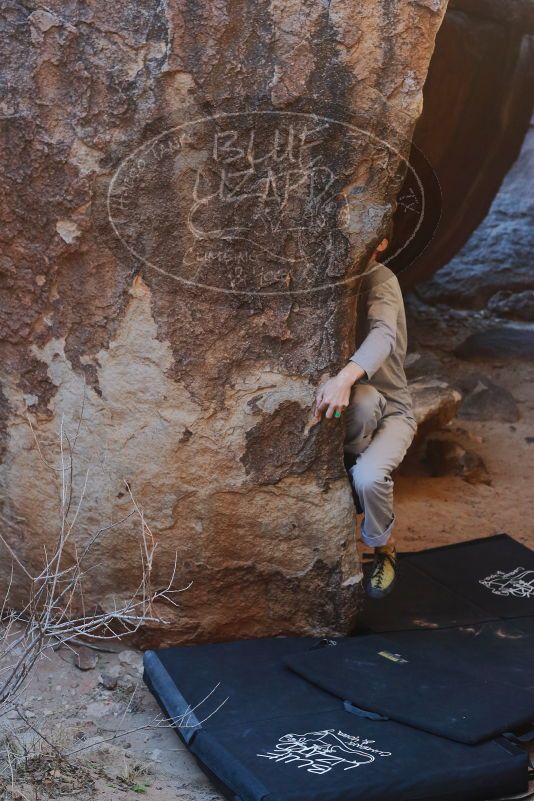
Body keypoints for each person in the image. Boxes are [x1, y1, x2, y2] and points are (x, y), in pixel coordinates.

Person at [313, 228, 417, 599]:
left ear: (383, 243)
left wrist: (345, 377)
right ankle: (352, 473)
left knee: (370, 477)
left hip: (393, 412)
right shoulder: (327, 278)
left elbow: (383, 335)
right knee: (362, 400)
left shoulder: (380, 277)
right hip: (358, 412)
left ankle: (382, 547)